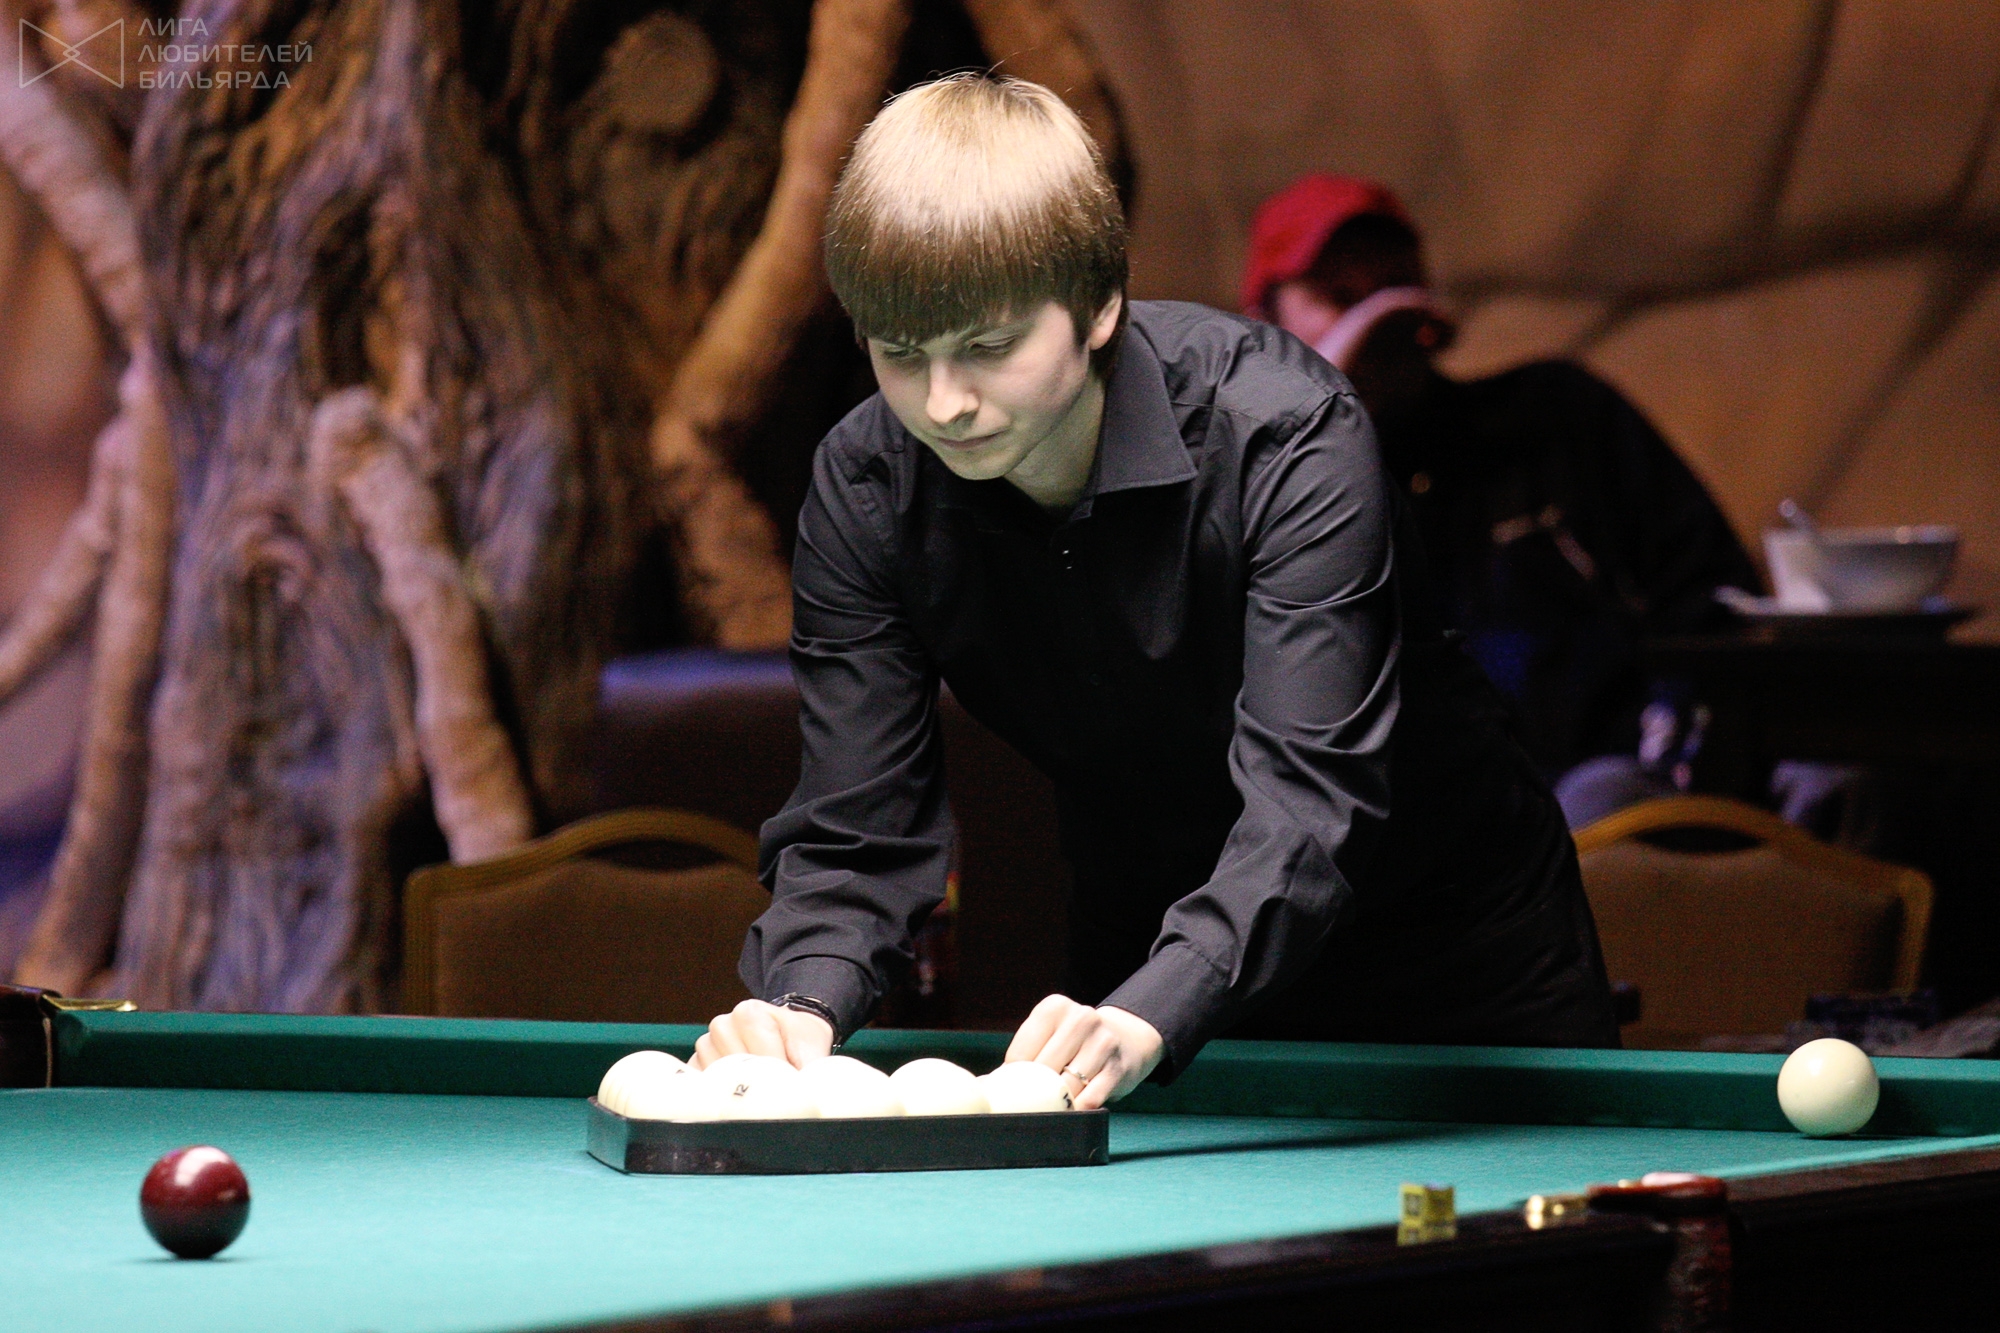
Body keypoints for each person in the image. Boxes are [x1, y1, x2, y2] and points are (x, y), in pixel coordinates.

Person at [694, 77, 1618, 1108]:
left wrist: (1153, 1008)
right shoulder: (866, 485)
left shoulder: (1287, 435)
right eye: (901, 354)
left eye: (988, 347)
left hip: (1456, 958)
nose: (944, 404)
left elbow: (1308, 804)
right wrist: (801, 1005)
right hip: (1137, 969)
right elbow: (858, 827)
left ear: (1098, 306)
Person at [1243, 177, 1761, 826]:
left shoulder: (1554, 416)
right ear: (1266, 326)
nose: (1379, 316)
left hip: (1627, 791)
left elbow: (1714, 600)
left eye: (1395, 284)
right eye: (1341, 297)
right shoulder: (1265, 507)